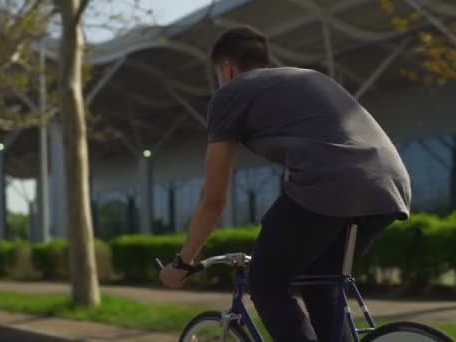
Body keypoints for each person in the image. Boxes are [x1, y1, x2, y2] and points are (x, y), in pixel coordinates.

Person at [159, 25, 411, 342]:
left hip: (329, 183)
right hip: (390, 185)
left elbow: (213, 197)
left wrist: (183, 261)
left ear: (226, 68)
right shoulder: (308, 77)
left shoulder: (229, 94)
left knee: (266, 284)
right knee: (320, 283)